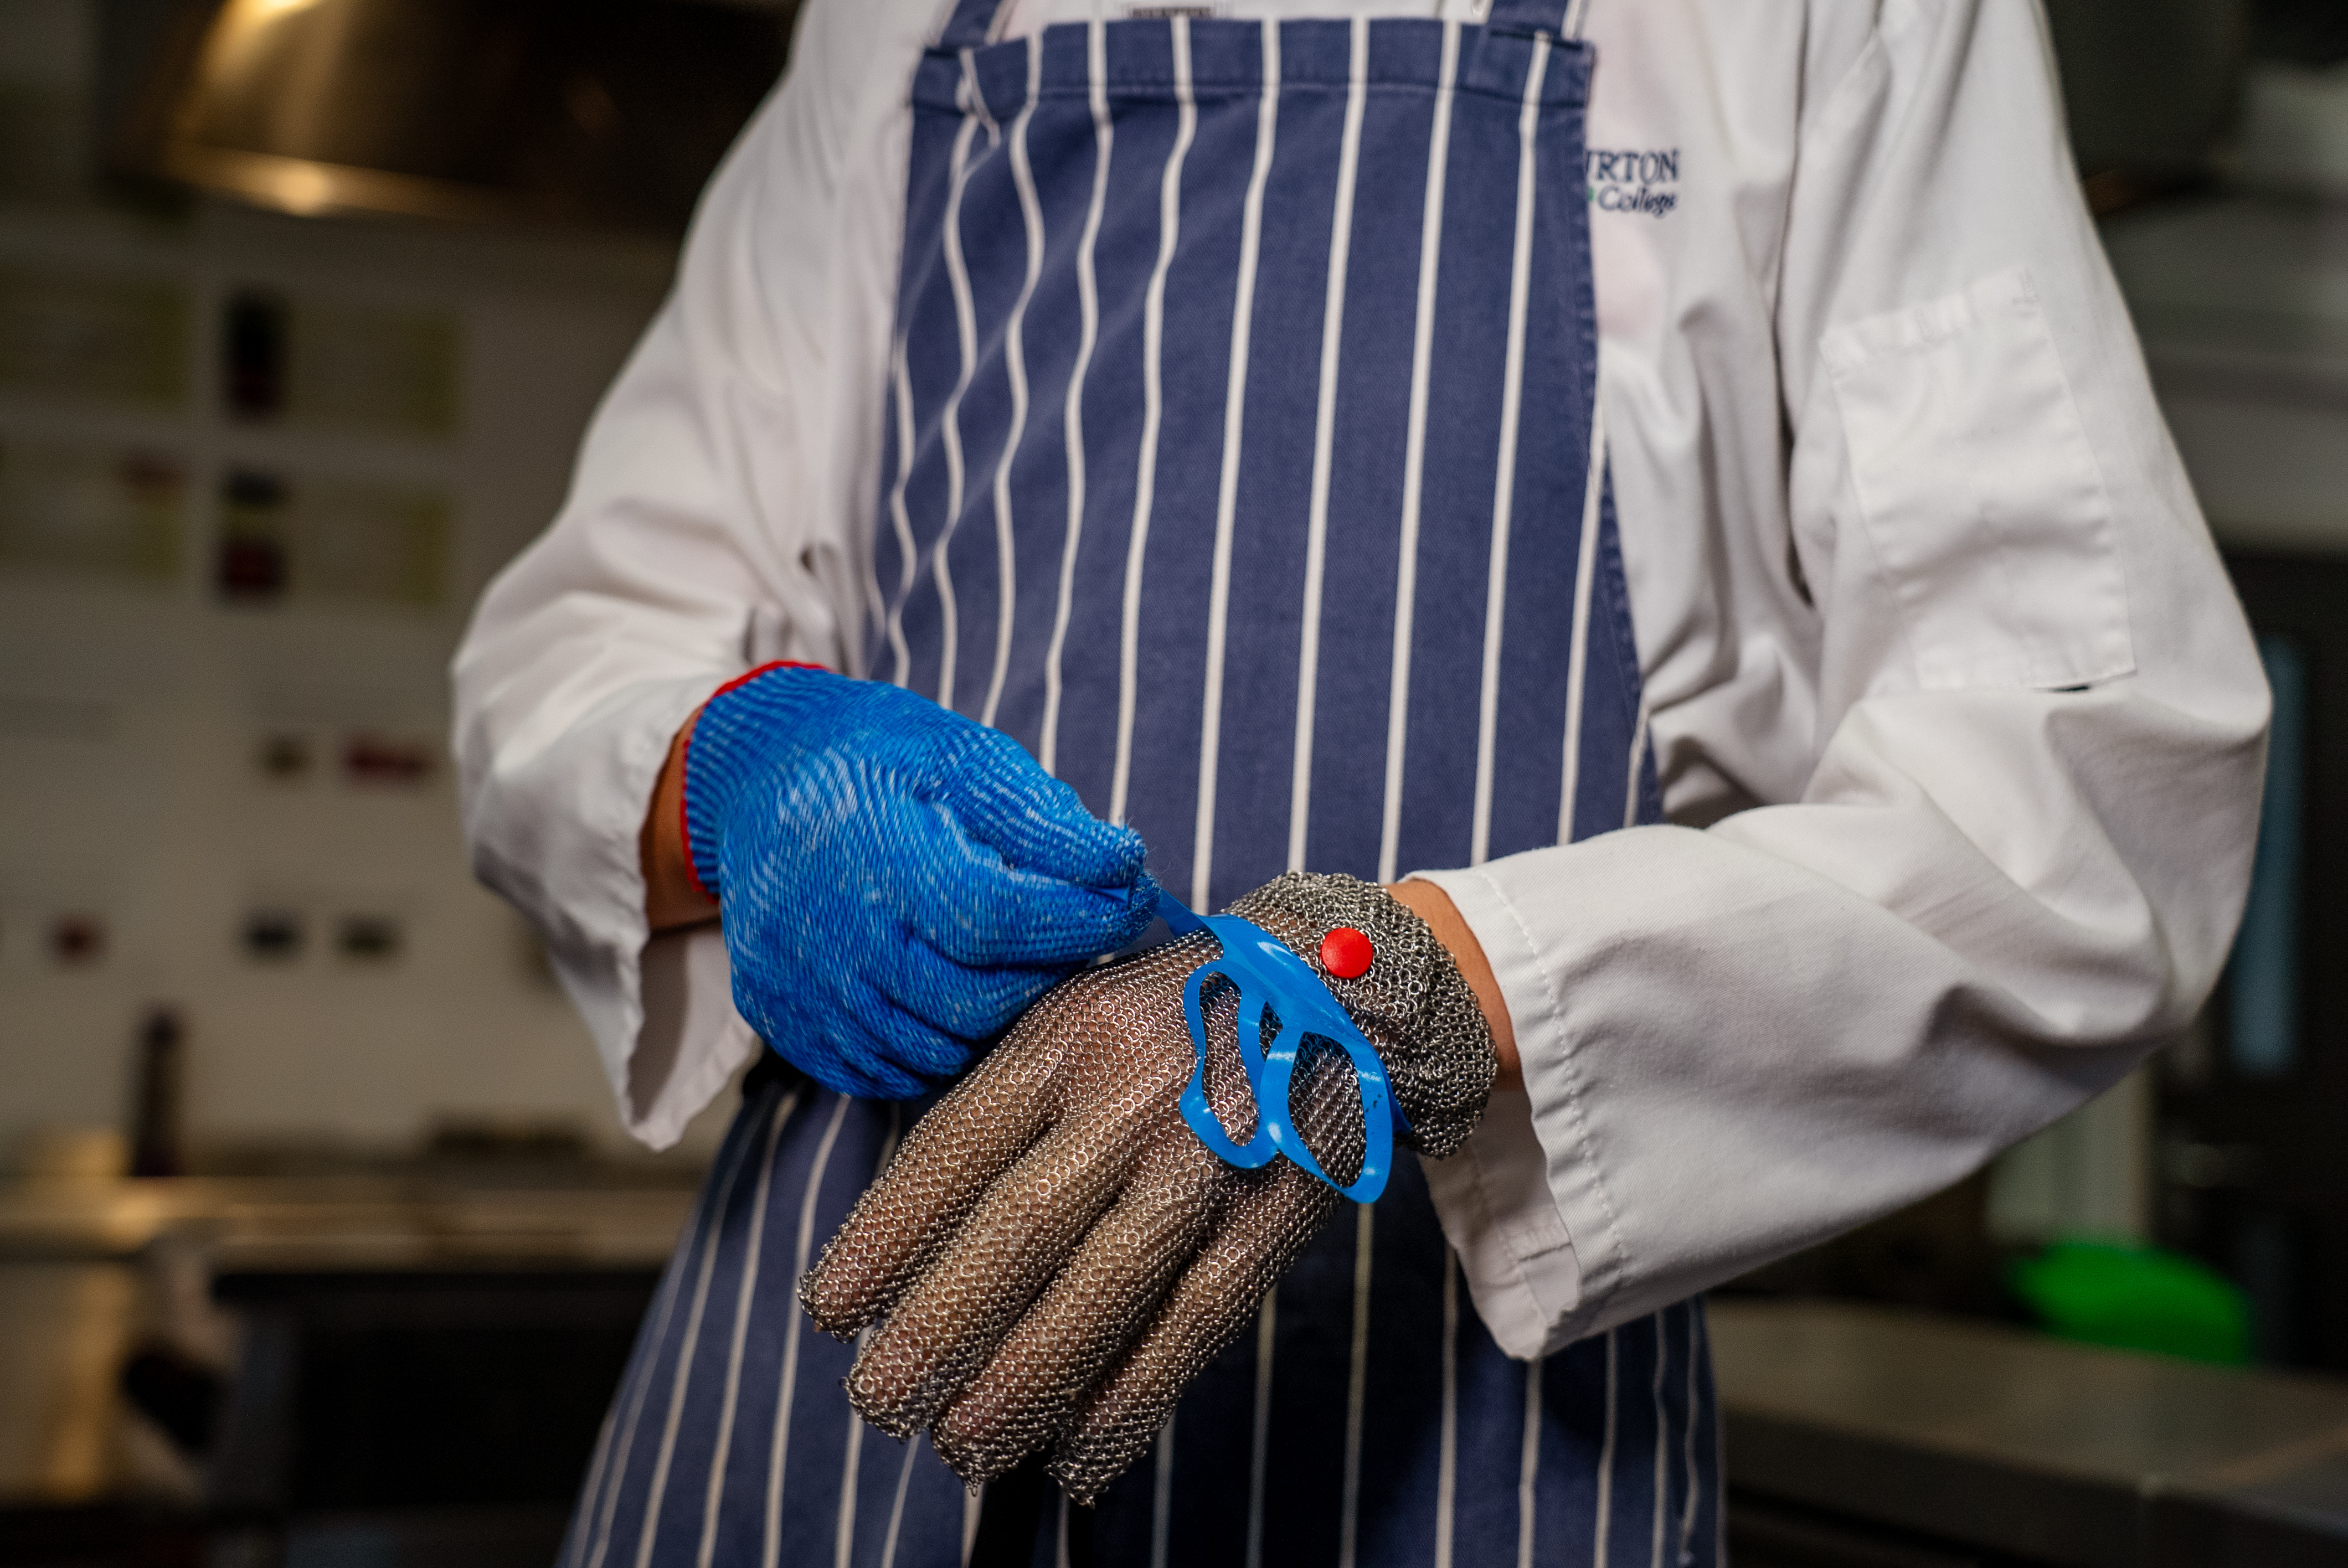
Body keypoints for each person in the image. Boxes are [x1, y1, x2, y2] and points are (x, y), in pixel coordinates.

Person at [452, 0, 2269, 1560]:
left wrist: (1412, 997)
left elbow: (2089, 797)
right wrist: (734, 776)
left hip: (1465, 1450)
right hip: (844, 1378)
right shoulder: (906, 22)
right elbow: (570, 656)